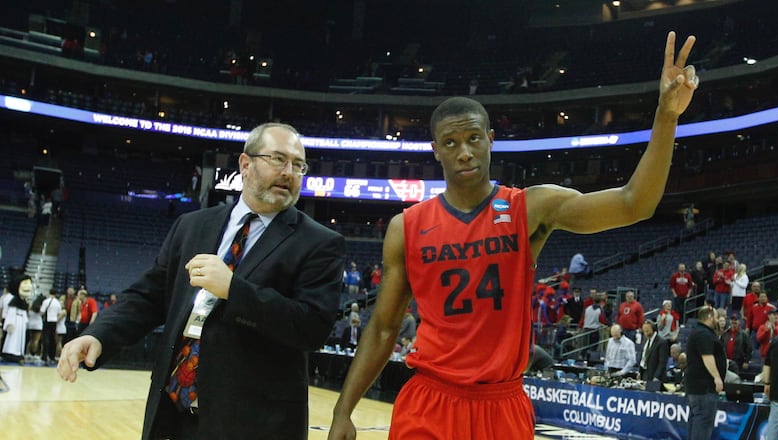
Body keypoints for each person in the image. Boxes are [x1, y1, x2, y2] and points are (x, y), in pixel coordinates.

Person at [329, 31, 699, 440]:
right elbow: (383, 328)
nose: (464, 151)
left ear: (490, 139)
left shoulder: (530, 208)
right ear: (436, 149)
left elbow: (634, 203)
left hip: (502, 404)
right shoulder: (407, 226)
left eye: (473, 138)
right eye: (450, 143)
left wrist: (666, 117)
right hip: (430, 401)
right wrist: (343, 410)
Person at [57, 122, 346, 439]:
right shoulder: (192, 226)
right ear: (245, 165)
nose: (289, 172)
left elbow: (312, 328)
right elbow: (149, 297)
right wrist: (99, 335)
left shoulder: (319, 243)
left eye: (298, 165)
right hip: (173, 414)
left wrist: (234, 289)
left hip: (256, 425)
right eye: (278, 159)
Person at [684, 306, 726, 440]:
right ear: (710, 317)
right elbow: (707, 356)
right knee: (703, 422)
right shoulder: (704, 334)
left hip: (697, 386)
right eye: (716, 316)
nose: (718, 320)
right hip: (704, 387)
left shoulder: (700, 332)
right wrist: (717, 377)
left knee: (696, 420)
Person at [2, 275, 33, 363]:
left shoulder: (23, 301)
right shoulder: (14, 300)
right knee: (12, 338)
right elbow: (11, 313)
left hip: (21, 322)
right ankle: (10, 353)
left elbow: (24, 312)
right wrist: (9, 324)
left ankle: (18, 353)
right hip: (15, 321)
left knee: (20, 339)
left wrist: (26, 322)